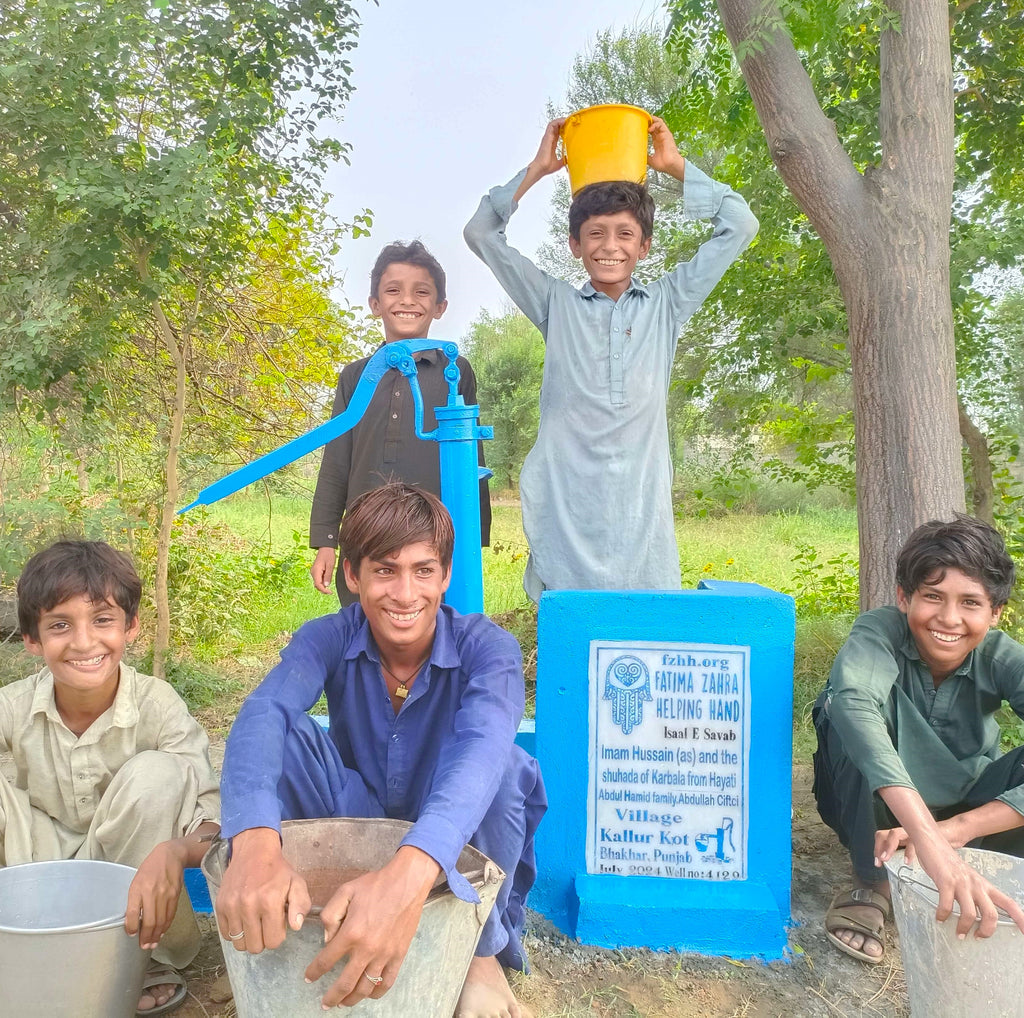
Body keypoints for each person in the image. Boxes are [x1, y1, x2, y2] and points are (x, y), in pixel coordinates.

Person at [218, 482, 545, 1016]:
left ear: (444, 577)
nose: (405, 592)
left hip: (449, 829)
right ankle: (313, 902)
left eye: (423, 570)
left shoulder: (488, 647)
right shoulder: (326, 636)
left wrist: (409, 872)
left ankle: (477, 952)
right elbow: (264, 713)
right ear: (353, 575)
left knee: (505, 768)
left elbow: (483, 747)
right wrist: (252, 843)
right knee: (287, 735)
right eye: (385, 570)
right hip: (357, 813)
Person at [464, 116, 758, 601]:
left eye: (625, 235)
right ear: (575, 245)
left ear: (644, 246)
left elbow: (741, 225)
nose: (610, 246)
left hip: (641, 520)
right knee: (571, 641)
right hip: (568, 512)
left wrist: (675, 165)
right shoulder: (554, 303)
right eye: (595, 234)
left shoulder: (668, 303)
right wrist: (537, 169)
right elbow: (480, 234)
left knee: (642, 647)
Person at [1, 540, 221, 1016]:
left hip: (136, 900)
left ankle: (137, 962)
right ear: (33, 639)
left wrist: (176, 851)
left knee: (158, 775)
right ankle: (25, 948)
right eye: (60, 625)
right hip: (35, 878)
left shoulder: (158, 706)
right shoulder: (10, 708)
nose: (83, 643)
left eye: (102, 620)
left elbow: (216, 827)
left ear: (131, 627)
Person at [812, 515, 1024, 964]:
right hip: (871, 812)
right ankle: (873, 885)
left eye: (970, 602)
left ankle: (973, 862)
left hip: (966, 817)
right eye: (932, 596)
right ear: (904, 598)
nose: (949, 618)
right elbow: (853, 703)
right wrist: (927, 839)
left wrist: (948, 833)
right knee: (843, 709)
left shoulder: (1003, 657)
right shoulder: (880, 632)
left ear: (995, 612)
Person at [309, 239, 491, 606]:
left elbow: (471, 456)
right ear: (375, 304)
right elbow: (337, 458)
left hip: (433, 533)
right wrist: (326, 539)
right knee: (365, 626)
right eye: (393, 291)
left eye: (421, 292)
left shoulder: (455, 371)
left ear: (439, 307)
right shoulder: (355, 376)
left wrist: (473, 538)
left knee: (436, 629)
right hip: (366, 531)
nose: (407, 301)